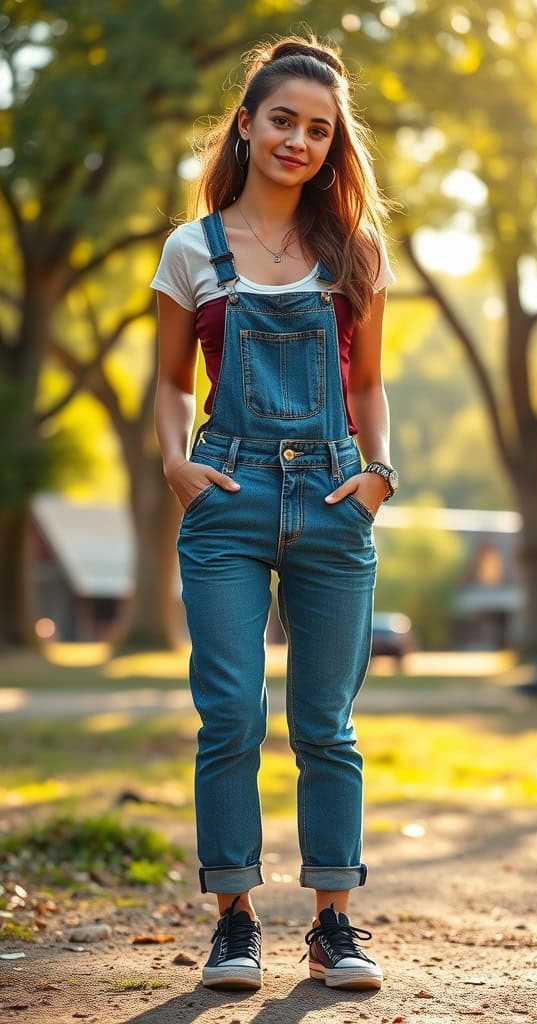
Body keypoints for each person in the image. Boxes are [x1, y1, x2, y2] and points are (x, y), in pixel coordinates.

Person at [151, 35, 398, 994]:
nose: (299, 139)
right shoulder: (192, 248)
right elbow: (173, 383)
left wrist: (380, 474)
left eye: (319, 129)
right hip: (229, 495)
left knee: (326, 724)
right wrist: (177, 464)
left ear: (334, 148)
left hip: (337, 496)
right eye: (283, 120)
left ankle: (334, 923)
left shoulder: (354, 252)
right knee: (229, 715)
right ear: (247, 125)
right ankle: (235, 921)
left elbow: (370, 383)